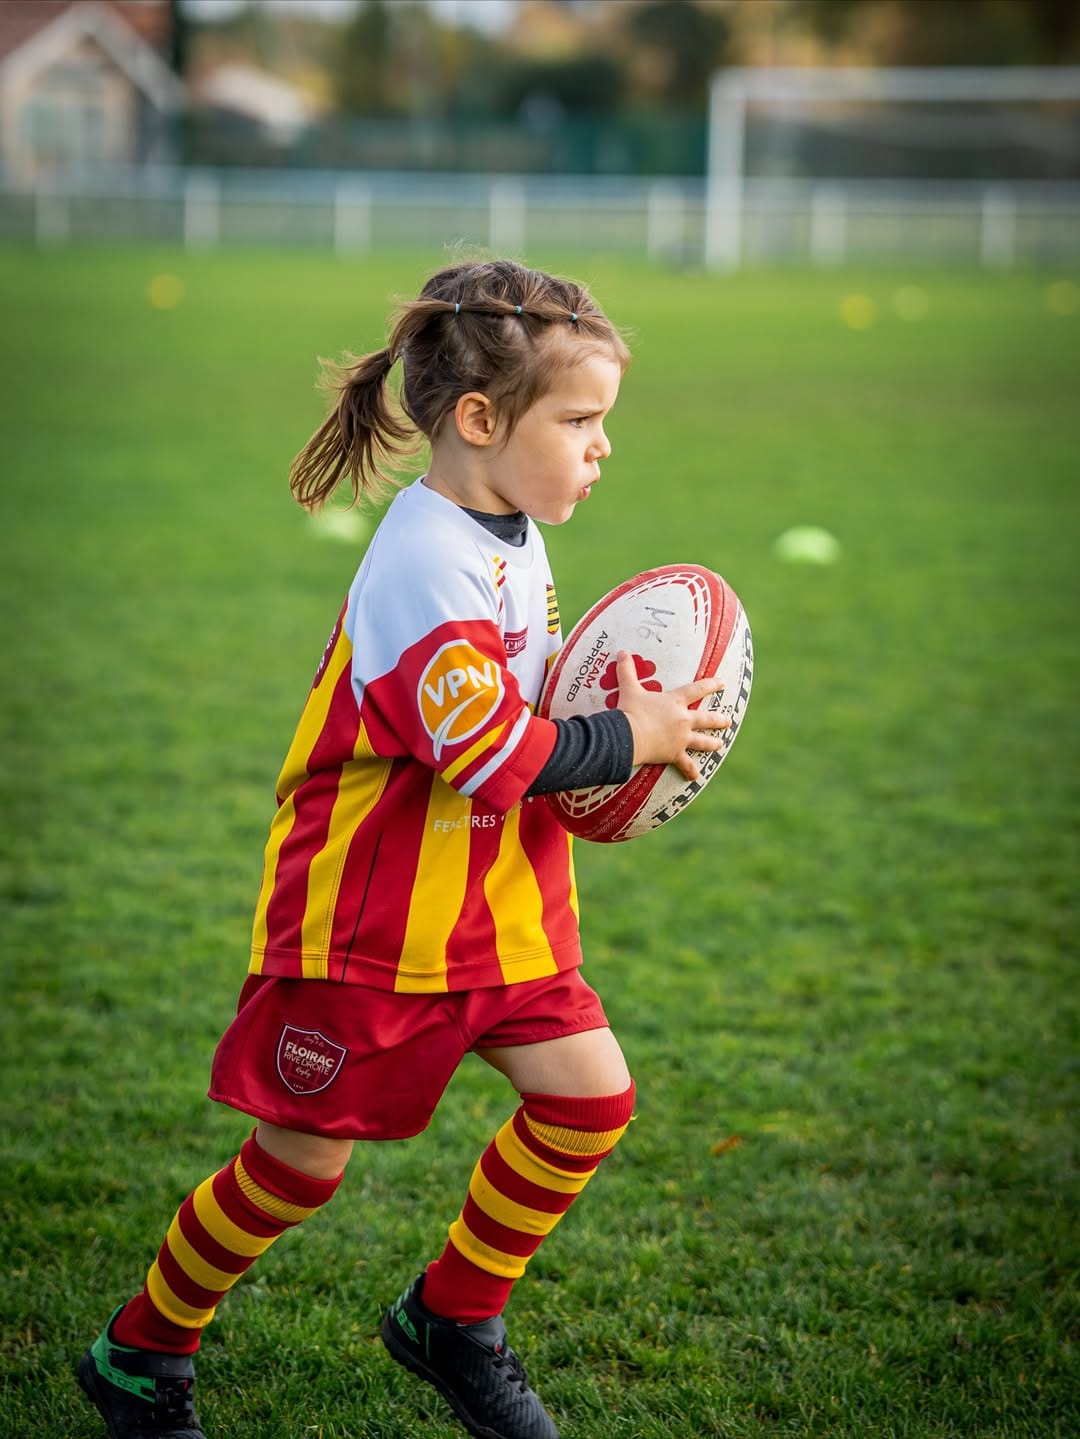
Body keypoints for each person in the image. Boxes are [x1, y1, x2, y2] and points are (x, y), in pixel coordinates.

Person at [77, 258, 729, 1439]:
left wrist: (600, 684)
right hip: (372, 926)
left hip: (503, 906)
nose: (602, 447)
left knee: (588, 1101)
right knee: (296, 1168)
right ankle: (143, 1347)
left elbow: (518, 687)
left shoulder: (505, 528)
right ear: (479, 420)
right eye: (579, 420)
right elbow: (484, 753)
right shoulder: (423, 564)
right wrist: (628, 735)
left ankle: (452, 1318)